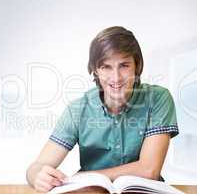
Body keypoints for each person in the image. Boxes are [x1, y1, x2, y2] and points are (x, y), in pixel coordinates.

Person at [26, 26, 179, 192]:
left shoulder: (158, 98)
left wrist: (83, 177)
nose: (116, 77)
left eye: (124, 65)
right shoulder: (78, 110)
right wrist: (37, 176)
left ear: (137, 66)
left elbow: (149, 170)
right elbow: (37, 166)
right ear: (96, 70)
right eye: (106, 67)